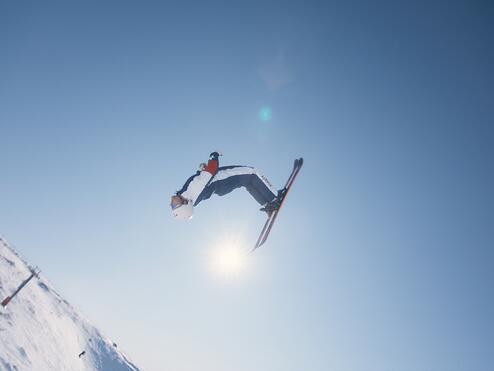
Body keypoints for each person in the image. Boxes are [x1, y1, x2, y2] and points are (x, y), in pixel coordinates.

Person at [170, 152, 285, 219]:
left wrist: (201, 170)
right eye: (175, 205)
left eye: (172, 205)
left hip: (221, 186)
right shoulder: (193, 191)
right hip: (223, 178)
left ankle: (267, 205)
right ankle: (275, 198)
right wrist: (214, 156)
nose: (172, 201)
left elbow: (202, 179)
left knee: (248, 182)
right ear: (184, 204)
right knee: (252, 173)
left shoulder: (186, 194)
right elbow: (211, 171)